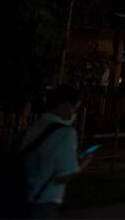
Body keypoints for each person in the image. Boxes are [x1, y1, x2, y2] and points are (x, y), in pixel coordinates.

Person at [20, 84, 93, 219]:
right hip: (44, 201)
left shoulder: (34, 128)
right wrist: (84, 162)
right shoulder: (66, 133)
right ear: (66, 106)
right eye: (75, 109)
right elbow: (63, 176)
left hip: (21, 196)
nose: (74, 114)